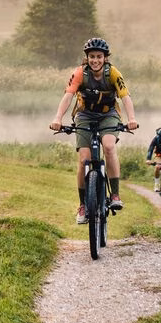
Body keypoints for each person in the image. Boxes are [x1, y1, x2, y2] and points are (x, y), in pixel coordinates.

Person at [49, 37, 138, 223]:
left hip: (108, 115)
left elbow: (125, 96)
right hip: (85, 116)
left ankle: (114, 195)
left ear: (105, 58)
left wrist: (131, 119)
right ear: (86, 58)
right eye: (92, 56)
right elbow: (68, 96)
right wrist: (58, 118)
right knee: (84, 159)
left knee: (108, 146)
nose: (95, 60)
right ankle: (83, 206)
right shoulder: (79, 73)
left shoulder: (113, 73)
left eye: (99, 56)